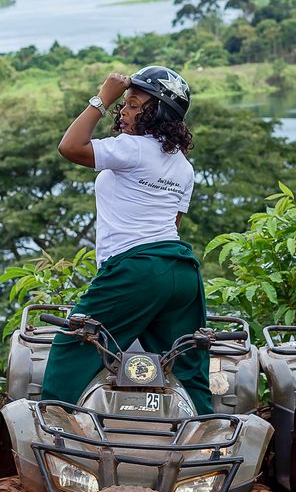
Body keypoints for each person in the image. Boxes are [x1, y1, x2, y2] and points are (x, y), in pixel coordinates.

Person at [39, 66, 212, 412]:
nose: (123, 111)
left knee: (74, 345)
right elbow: (171, 224)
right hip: (181, 271)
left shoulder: (131, 148)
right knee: (187, 366)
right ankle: (207, 444)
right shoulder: (183, 166)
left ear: (157, 112)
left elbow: (70, 146)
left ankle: (55, 434)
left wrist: (103, 97)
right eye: (124, 104)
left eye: (133, 105)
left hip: (136, 269)